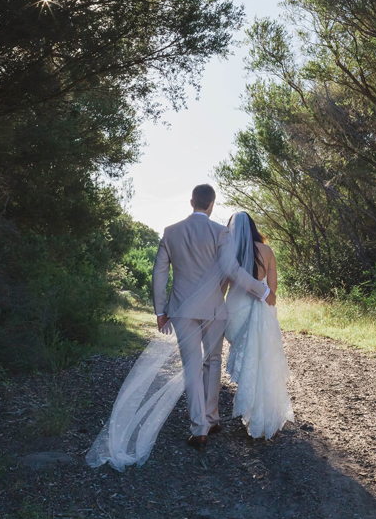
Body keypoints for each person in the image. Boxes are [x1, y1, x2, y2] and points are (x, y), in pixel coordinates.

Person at [86, 185, 275, 470]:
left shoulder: (171, 231)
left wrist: (160, 311)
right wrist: (261, 291)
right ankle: (212, 418)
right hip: (214, 309)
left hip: (182, 310)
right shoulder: (220, 232)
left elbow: (159, 273)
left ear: (191, 202)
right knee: (213, 361)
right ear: (212, 204)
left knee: (192, 366)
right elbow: (231, 270)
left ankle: (199, 429)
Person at [224, 212, 294, 438]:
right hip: (261, 307)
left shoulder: (229, 251)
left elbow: (223, 285)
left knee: (247, 357)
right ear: (253, 227)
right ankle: (260, 412)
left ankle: (248, 406)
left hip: (235, 309)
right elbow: (272, 291)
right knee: (262, 357)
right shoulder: (267, 251)